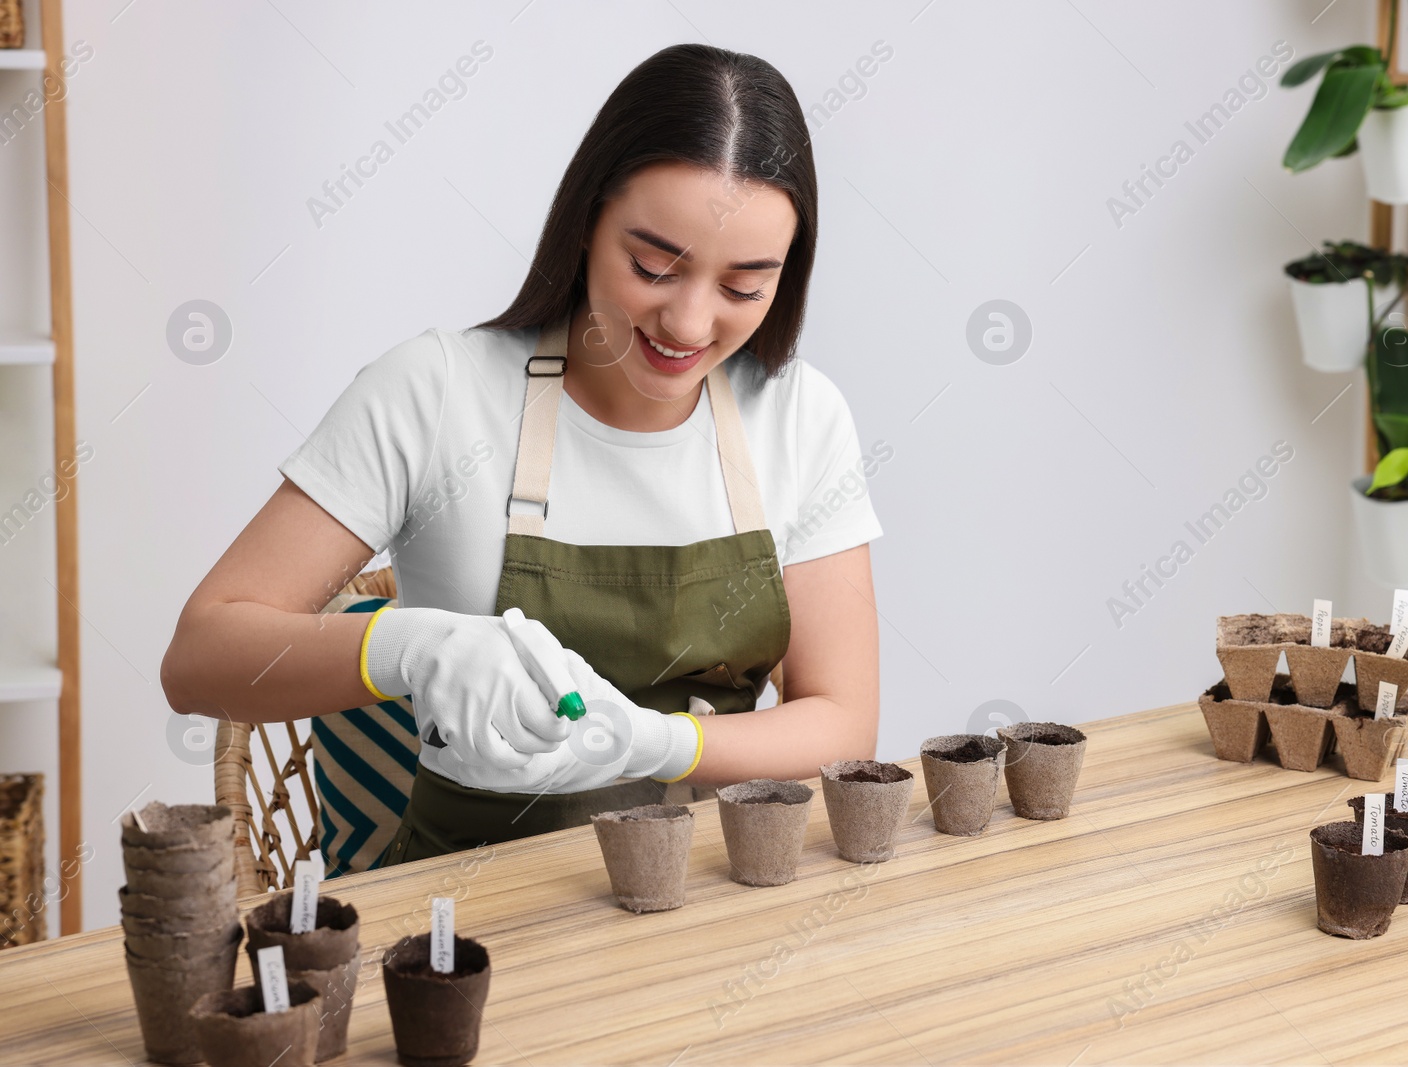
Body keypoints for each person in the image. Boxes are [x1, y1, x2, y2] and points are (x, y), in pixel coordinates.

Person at [160, 43, 884, 865]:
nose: (687, 323)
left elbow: (843, 718)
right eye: (652, 266)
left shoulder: (800, 416)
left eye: (743, 287)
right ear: (585, 225)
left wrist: (659, 744)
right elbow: (198, 658)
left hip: (710, 900)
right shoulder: (435, 391)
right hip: (470, 930)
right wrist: (414, 648)